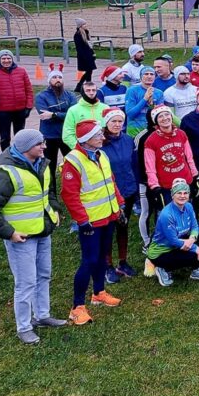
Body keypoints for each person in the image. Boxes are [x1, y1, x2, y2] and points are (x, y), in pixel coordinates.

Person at [0, 129, 65, 343]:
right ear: (27, 148)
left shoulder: (42, 164)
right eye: (39, 144)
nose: (44, 147)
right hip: (21, 238)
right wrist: (9, 233)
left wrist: (54, 210)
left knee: (43, 275)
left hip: (43, 230)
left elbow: (48, 191)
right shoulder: (6, 173)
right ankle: (24, 327)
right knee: (25, 283)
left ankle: (42, 315)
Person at [61, 119, 127, 325]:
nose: (102, 137)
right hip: (91, 221)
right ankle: (77, 307)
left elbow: (111, 182)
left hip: (108, 215)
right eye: (98, 135)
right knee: (88, 261)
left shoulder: (102, 154)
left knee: (102, 257)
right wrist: (82, 220)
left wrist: (120, 205)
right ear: (87, 140)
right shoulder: (73, 161)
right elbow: (69, 195)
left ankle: (98, 293)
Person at [147, 178, 199, 286]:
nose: (183, 196)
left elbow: (195, 226)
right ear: (173, 195)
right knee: (192, 255)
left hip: (179, 243)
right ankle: (162, 268)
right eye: (179, 193)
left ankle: (196, 270)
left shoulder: (188, 206)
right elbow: (172, 240)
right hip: (161, 251)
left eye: (185, 193)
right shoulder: (166, 214)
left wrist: (191, 239)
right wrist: (194, 247)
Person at [100, 108, 139, 282]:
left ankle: (122, 262)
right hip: (108, 194)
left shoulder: (129, 140)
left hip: (128, 190)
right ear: (106, 123)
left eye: (119, 121)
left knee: (123, 227)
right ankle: (107, 265)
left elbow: (133, 164)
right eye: (113, 121)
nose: (117, 125)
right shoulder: (100, 143)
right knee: (108, 230)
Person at [144, 104, 199, 222]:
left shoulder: (181, 134)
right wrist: (154, 186)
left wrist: (195, 175)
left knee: (187, 211)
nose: (165, 118)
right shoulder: (151, 141)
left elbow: (189, 157)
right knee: (169, 217)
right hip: (166, 185)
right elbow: (150, 166)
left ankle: (190, 236)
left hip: (185, 180)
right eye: (160, 117)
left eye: (167, 114)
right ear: (156, 121)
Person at [35, 67, 77, 174]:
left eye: (60, 77)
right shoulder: (41, 96)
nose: (57, 79)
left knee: (72, 162)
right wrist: (64, 115)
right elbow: (44, 115)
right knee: (50, 164)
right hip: (50, 135)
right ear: (49, 81)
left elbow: (73, 114)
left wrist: (53, 114)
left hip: (67, 134)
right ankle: (51, 188)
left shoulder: (70, 95)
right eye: (54, 77)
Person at [0, 50, 33, 151]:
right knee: (5, 137)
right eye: (3, 59)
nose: (6, 60)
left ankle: (20, 155)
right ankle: (6, 156)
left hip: (20, 110)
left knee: (20, 135)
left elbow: (29, 89)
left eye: (8, 58)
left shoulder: (21, 71)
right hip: (3, 111)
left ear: (12, 59)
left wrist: (29, 106)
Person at [63, 81, 110, 147]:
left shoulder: (105, 107)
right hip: (84, 149)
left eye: (93, 90)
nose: (91, 93)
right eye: (88, 90)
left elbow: (110, 129)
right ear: (82, 92)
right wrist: (79, 148)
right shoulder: (73, 110)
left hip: (104, 147)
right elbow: (67, 134)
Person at [73, 19, 98, 91]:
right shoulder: (77, 35)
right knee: (89, 71)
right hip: (84, 56)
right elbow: (79, 48)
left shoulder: (86, 33)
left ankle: (83, 85)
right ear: (80, 26)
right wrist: (84, 57)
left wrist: (93, 53)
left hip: (89, 54)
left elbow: (89, 45)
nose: (86, 25)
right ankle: (85, 85)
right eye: (84, 24)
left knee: (89, 71)